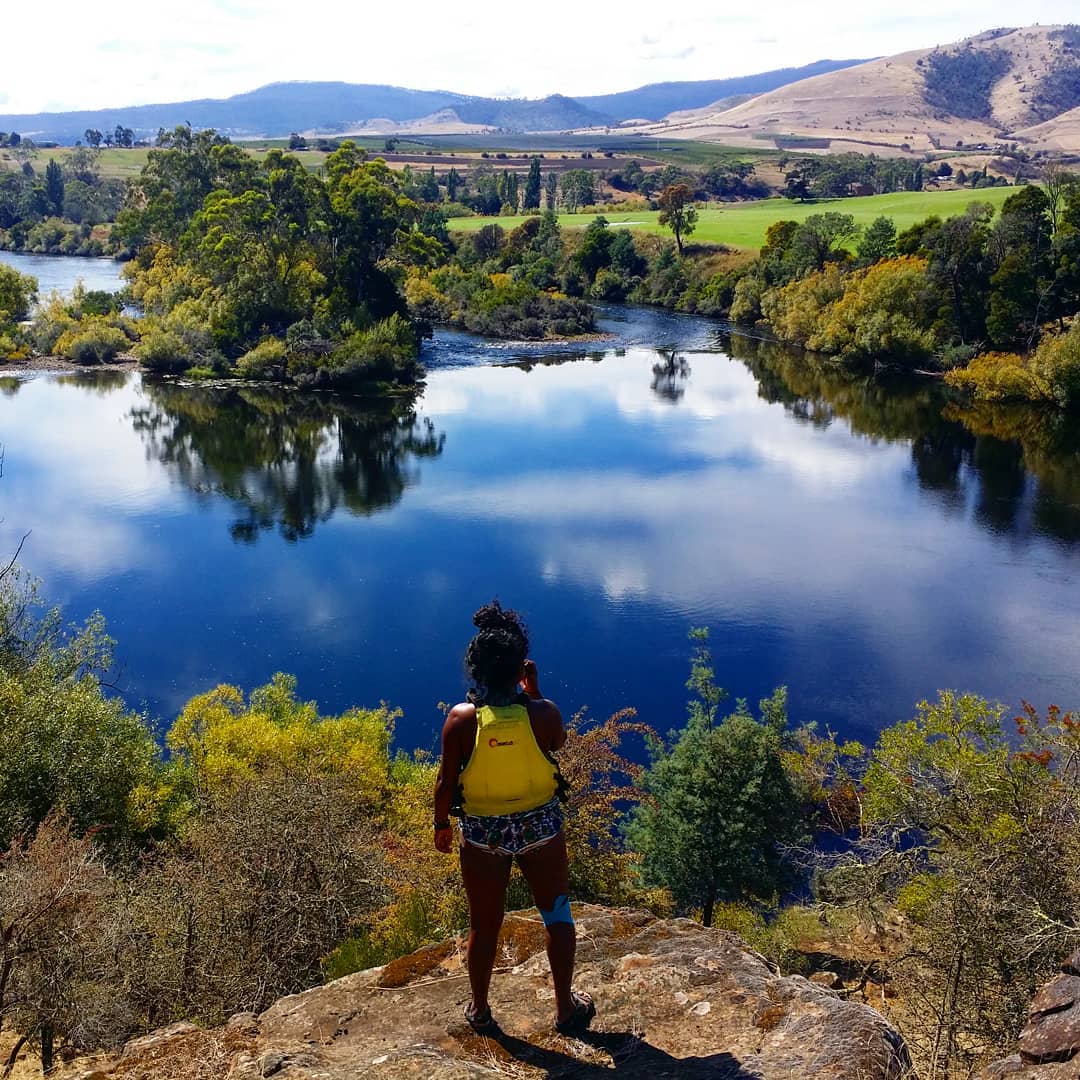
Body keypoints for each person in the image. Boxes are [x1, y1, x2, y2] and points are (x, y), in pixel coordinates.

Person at [434, 600, 595, 1035]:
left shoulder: (461, 719)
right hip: (541, 828)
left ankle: (481, 1012)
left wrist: (441, 825)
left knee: (484, 926)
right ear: (520, 668)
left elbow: (446, 783)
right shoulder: (541, 712)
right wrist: (535, 692)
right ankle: (565, 1010)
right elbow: (557, 742)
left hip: (484, 834)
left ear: (476, 668)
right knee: (557, 915)